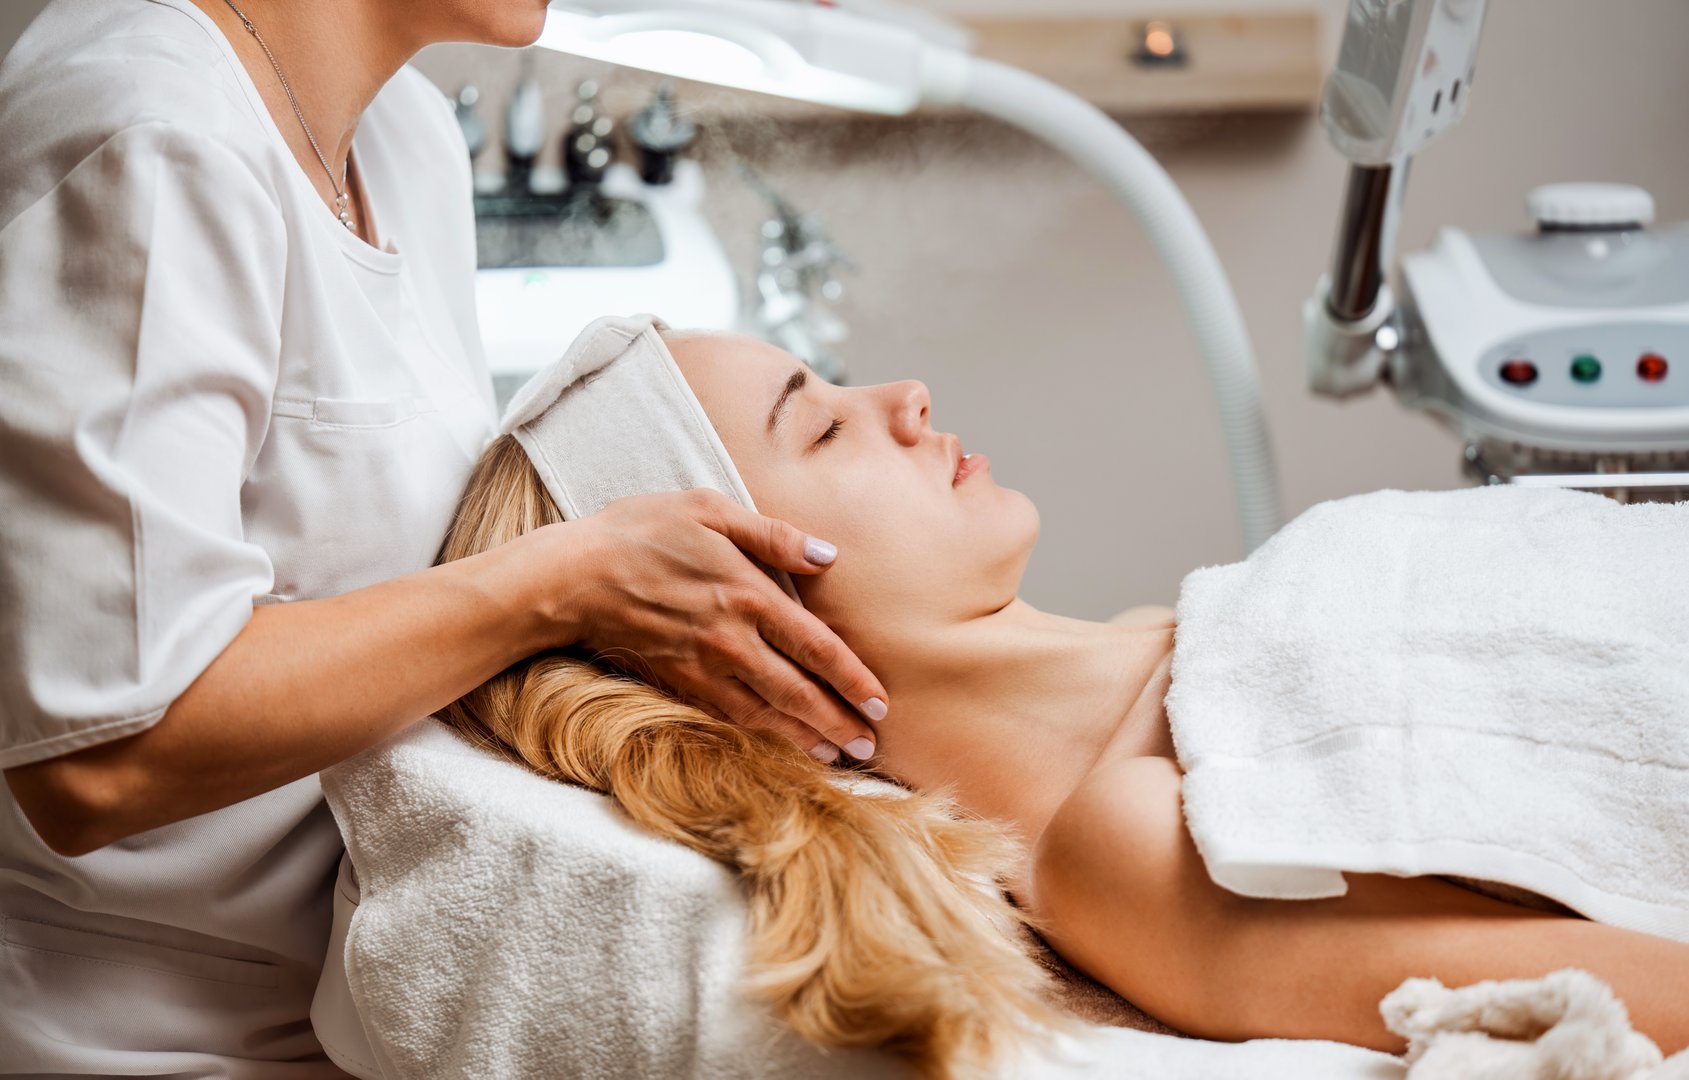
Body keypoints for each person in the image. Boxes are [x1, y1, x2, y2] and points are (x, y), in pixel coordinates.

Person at [0, 2, 884, 1072]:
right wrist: (564, 583)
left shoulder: (405, 134)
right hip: (144, 1033)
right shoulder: (149, 129)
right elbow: (104, 758)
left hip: (362, 1002)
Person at [432, 327, 1689, 1068]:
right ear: (727, 627)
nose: (904, 398)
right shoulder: (1120, 848)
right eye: (817, 432)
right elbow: (1629, 991)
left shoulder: (1212, 632)